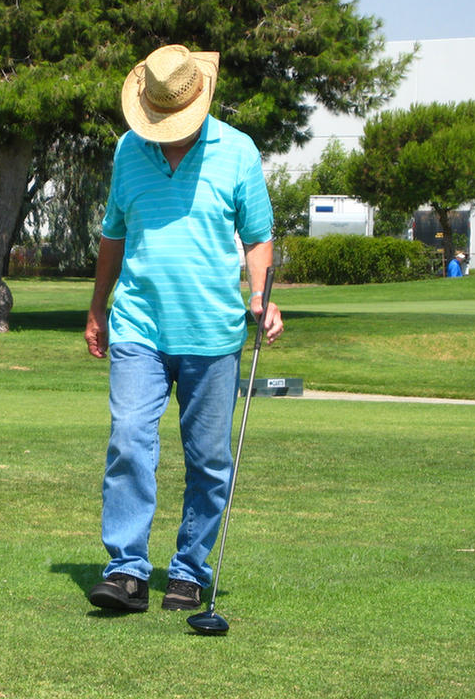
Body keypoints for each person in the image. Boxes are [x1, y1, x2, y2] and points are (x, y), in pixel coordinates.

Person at [84, 45, 284, 613]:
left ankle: (190, 569)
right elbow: (113, 237)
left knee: (209, 459)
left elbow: (258, 236)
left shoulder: (238, 151)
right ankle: (126, 570)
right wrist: (98, 306)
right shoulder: (128, 150)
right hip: (138, 326)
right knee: (128, 441)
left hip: (212, 333)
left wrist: (261, 296)